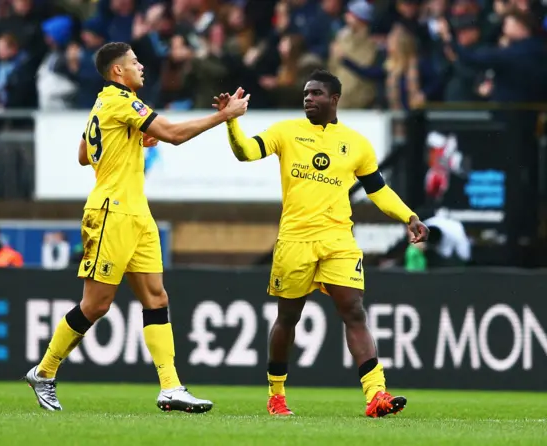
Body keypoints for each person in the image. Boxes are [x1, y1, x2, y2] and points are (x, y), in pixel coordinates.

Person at [25, 41, 250, 413]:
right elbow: (174, 136)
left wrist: (129, 138)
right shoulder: (120, 100)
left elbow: (84, 155)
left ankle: (171, 388)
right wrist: (225, 116)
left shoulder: (105, 103)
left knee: (156, 298)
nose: (141, 66)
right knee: (96, 305)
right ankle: (44, 372)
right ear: (118, 71)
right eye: (134, 62)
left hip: (136, 212)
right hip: (112, 211)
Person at [215, 69, 428, 418]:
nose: (308, 99)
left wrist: (409, 216)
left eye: (315, 93)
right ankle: (276, 395)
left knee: (354, 310)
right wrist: (231, 123)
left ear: (334, 99)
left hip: (338, 239)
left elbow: (378, 190)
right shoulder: (286, 132)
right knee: (288, 318)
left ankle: (376, 395)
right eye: (305, 94)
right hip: (295, 240)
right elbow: (246, 153)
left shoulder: (356, 143)